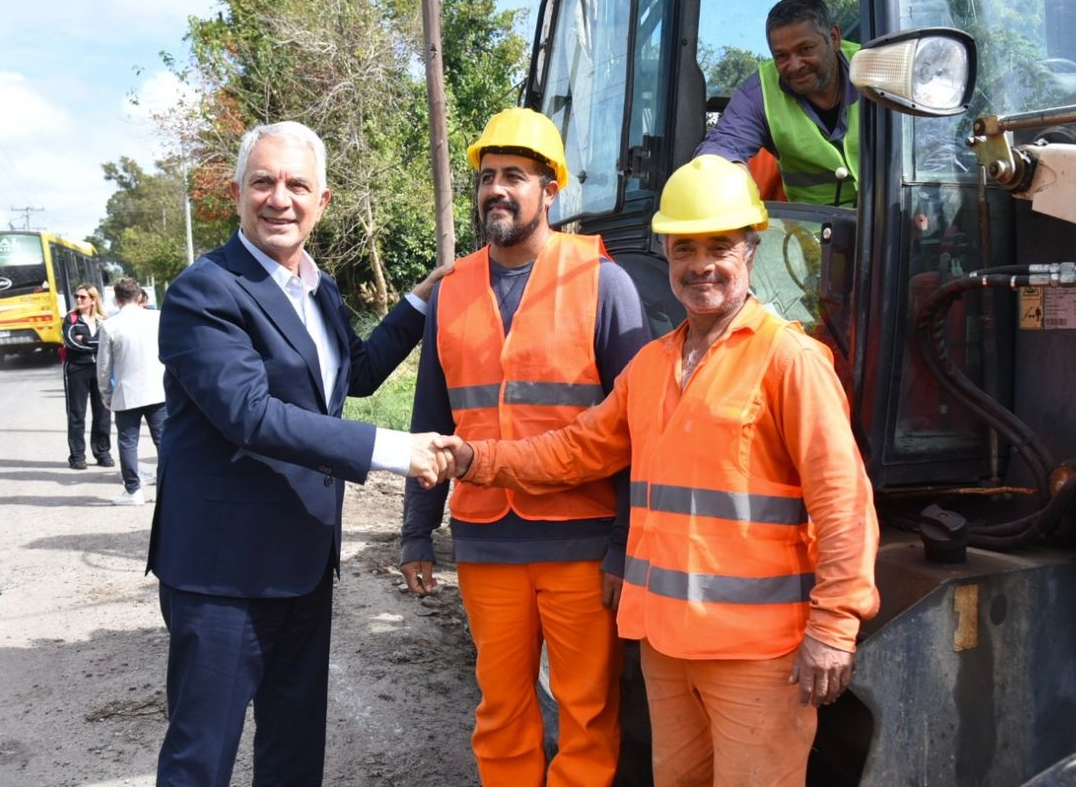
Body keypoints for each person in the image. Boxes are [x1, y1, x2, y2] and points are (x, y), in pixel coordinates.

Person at [447, 154, 880, 786]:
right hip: (666, 648)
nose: (700, 265)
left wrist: (836, 626)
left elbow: (843, 503)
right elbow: (573, 450)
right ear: (667, 256)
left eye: (719, 247)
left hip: (756, 657)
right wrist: (476, 458)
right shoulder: (652, 366)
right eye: (684, 250)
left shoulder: (789, 360)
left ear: (751, 251)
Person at [147, 120, 453, 785]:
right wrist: (398, 449)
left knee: (293, 752)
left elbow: (356, 373)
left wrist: (417, 302)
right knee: (202, 758)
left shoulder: (320, 287)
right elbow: (250, 415)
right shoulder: (205, 291)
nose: (278, 198)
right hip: (221, 575)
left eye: (296, 184)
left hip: (304, 563)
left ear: (323, 201)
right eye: (263, 181)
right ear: (236, 192)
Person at [401, 108, 652, 785]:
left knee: (586, 713)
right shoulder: (451, 292)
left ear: (552, 188)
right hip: (486, 541)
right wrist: (416, 531)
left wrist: (625, 544)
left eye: (515, 174)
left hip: (581, 541)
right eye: (486, 176)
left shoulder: (604, 283)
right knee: (502, 711)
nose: (496, 189)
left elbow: (638, 429)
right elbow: (431, 420)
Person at [696, 0, 861, 206]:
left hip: (891, 217)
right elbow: (721, 145)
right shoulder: (759, 92)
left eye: (806, 49)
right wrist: (728, 169)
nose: (794, 65)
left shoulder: (878, 68)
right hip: (811, 229)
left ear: (834, 38)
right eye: (781, 56)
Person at [96, 276, 166, 506]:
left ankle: (133, 490)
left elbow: (104, 366)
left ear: (116, 300)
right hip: (159, 389)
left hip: (126, 392)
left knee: (127, 441)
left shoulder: (109, 325)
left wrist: (105, 393)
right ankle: (168, 489)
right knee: (164, 440)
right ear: (139, 297)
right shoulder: (157, 318)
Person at [62, 283, 112, 470]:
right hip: (77, 369)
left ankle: (102, 452)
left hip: (100, 369)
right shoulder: (70, 319)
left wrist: (87, 340)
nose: (79, 300)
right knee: (77, 414)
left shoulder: (103, 320)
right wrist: (95, 342)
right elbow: (72, 343)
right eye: (77, 296)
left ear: (93, 300)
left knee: (103, 412)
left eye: (83, 297)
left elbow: (108, 342)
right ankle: (77, 456)